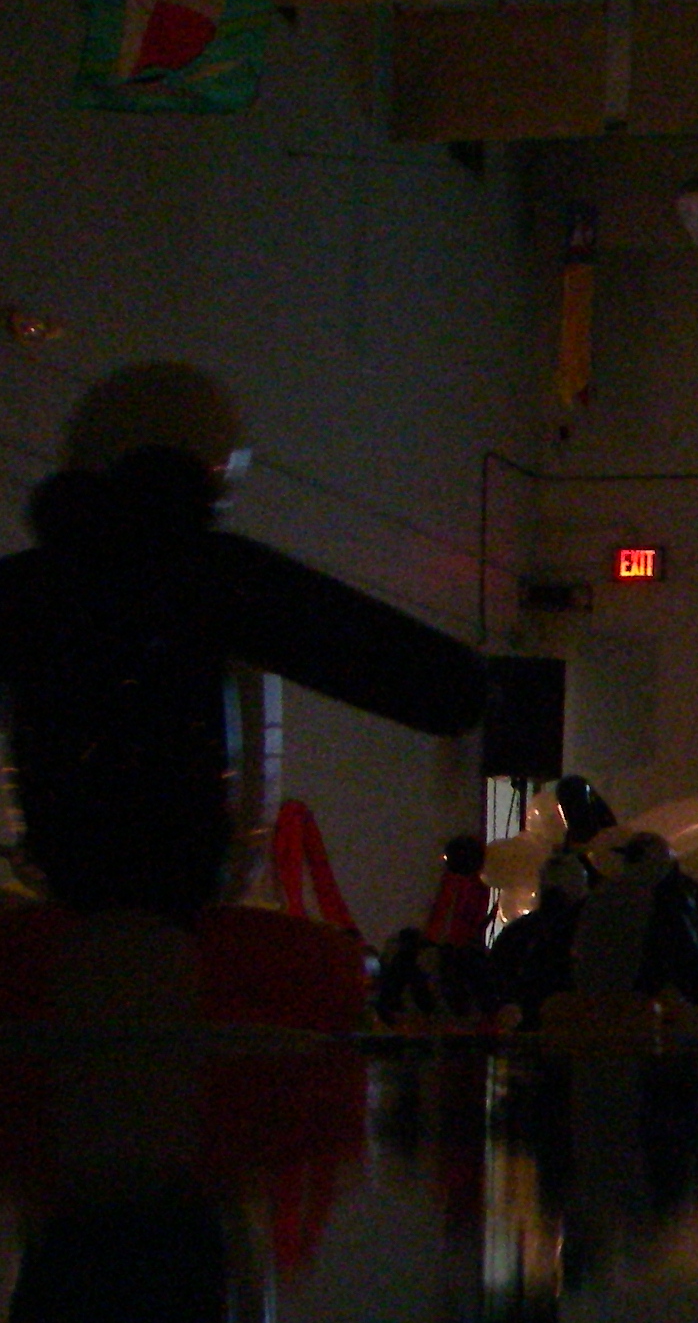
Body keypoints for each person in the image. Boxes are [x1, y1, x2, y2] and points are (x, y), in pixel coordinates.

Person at [0, 364, 488, 933]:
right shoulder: (219, 578)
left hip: (62, 887)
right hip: (176, 896)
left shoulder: (30, 587)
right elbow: (437, 684)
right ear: (212, 471)